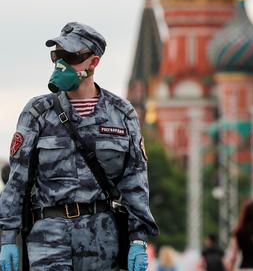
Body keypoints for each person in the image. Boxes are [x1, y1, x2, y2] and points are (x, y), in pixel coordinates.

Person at [0, 22, 158, 271]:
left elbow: (135, 181)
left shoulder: (121, 113)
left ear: (92, 62)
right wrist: (7, 236)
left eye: (70, 57)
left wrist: (139, 238)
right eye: (57, 55)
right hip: (49, 240)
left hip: (103, 242)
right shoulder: (38, 112)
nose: (61, 63)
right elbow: (17, 181)